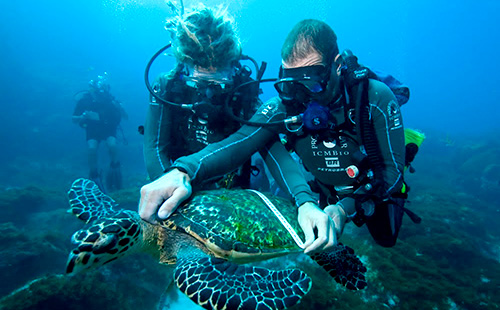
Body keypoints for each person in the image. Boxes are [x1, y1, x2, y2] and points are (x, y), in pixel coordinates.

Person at [139, 19, 407, 254]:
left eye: (312, 81)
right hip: (325, 189)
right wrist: (182, 171)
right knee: (319, 240)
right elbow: (241, 140)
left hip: (371, 189)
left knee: (385, 238)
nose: (302, 95)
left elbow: (391, 172)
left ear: (336, 66)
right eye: (291, 83)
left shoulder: (375, 98)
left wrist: (345, 208)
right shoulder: (284, 105)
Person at [142, 5, 265, 191]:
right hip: (177, 181)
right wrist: (167, 188)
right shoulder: (167, 86)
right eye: (198, 83)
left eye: (218, 84)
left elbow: (266, 141)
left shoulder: (245, 93)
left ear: (233, 67)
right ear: (185, 66)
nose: (208, 93)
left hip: (230, 186)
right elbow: (154, 146)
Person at [73, 73, 126, 192]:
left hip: (108, 127)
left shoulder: (109, 100)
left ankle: (114, 167)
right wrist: (83, 116)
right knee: (92, 148)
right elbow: (74, 118)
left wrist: (118, 107)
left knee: (112, 145)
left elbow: (122, 116)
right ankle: (94, 174)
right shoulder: (84, 101)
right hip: (92, 128)